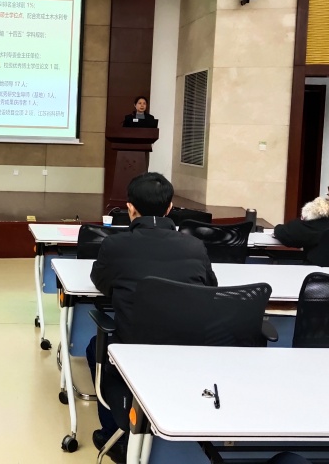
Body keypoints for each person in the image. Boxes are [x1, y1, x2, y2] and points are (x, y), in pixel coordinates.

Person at [87, 172, 216, 462]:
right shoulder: (195, 246)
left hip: (134, 350)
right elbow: (210, 289)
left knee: (95, 346)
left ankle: (114, 435)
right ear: (170, 208)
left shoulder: (115, 245)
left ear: (130, 208)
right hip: (190, 350)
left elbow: (101, 283)